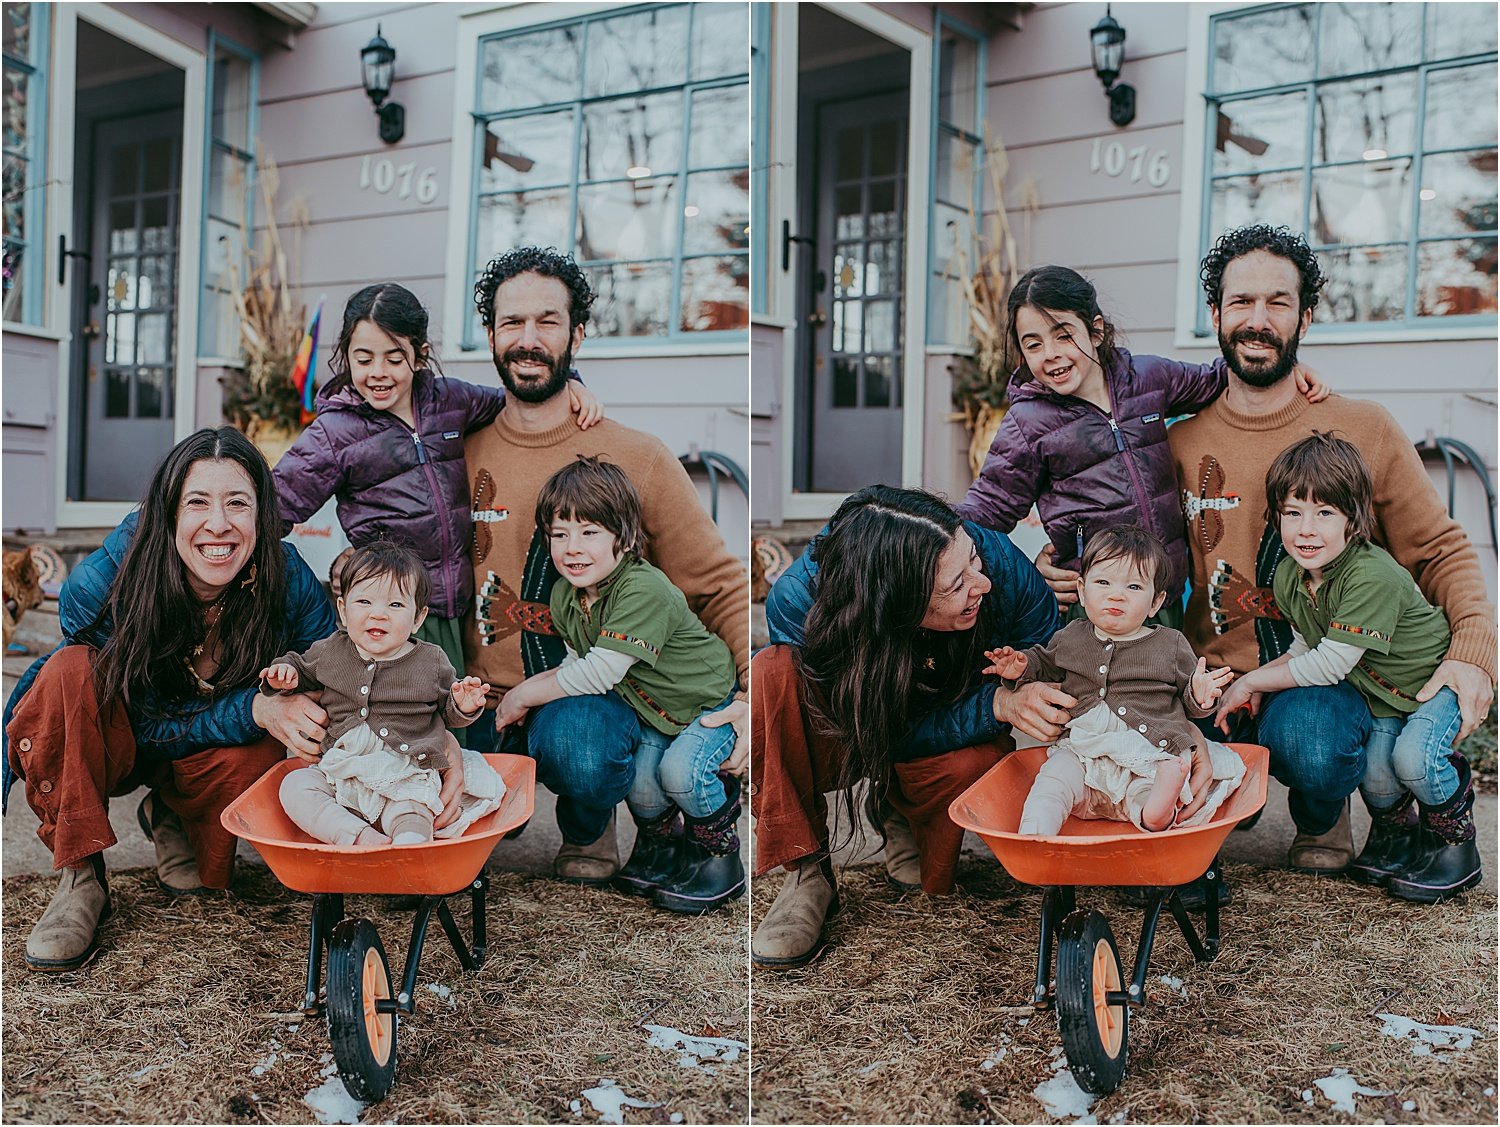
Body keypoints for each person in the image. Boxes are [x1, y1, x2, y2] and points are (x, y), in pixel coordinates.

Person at [1128, 223, 1494, 879]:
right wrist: (1067, 566)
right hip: (1211, 679)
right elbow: (1137, 551)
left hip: (1321, 677)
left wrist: (1474, 653)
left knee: (1316, 743)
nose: (1258, 320)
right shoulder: (1177, 442)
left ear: (1306, 315)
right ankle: (1230, 790)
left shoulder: (1363, 428)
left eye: (1278, 302)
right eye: (1241, 302)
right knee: (1185, 781)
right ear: (1215, 314)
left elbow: (1440, 549)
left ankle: (1323, 811)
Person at [749, 487, 1219, 969]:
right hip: (855, 725)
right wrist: (995, 703)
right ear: (897, 603)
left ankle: (905, 808)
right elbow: (874, 731)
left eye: (972, 560)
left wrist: (1174, 726)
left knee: (976, 760)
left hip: (946, 718)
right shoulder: (801, 601)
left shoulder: (1002, 568)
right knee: (774, 671)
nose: (982, 584)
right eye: (956, 585)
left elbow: (1074, 675)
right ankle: (807, 870)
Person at [463, 247, 750, 886]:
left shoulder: (635, 456)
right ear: (490, 335)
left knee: (586, 751)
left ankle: (590, 828)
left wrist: (752, 696)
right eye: (511, 323)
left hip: (588, 692)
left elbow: (718, 582)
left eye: (548, 321)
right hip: (476, 692)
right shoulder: (458, 448)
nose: (528, 340)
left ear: (578, 334)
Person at [2, 428, 337, 971]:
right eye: (197, 503)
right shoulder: (121, 574)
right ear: (167, 514)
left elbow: (335, 673)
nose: (219, 524)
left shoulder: (287, 578)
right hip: (119, 740)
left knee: (280, 727)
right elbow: (136, 715)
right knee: (69, 671)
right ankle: (80, 876)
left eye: (238, 503)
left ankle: (175, 814)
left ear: (262, 515)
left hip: (200, 755)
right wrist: (251, 708)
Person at [272, 282, 601, 687]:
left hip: (452, 609)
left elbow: (513, 399)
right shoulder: (334, 434)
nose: (378, 372)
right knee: (401, 724)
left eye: (394, 359)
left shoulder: (448, 400)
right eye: (364, 359)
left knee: (451, 721)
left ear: (421, 354)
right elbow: (272, 511)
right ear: (346, 356)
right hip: (391, 608)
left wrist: (569, 379)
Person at [959, 264, 1327, 624]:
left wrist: (1287, 367)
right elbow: (986, 514)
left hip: (1161, 599)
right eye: (1033, 344)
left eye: (1063, 335)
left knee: (1166, 683)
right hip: (1096, 607)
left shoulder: (1148, 378)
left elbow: (1216, 378)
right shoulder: (1029, 423)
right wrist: (1030, 575)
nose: (1050, 353)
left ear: (1096, 331)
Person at [1214, 434, 1480, 901]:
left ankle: (1455, 845)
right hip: (1383, 697)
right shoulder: (1291, 575)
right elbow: (1303, 646)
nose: (1305, 530)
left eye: (1324, 513)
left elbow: (1331, 663)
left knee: (1413, 761)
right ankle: (1399, 841)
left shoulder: (1369, 575)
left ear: (1353, 519)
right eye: (1293, 513)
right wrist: (1247, 685)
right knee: (1376, 773)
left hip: (1431, 686)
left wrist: (1254, 679)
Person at [496, 457, 741, 912]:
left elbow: (600, 673)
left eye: (590, 532)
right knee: (643, 784)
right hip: (655, 711)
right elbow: (577, 663)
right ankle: (662, 849)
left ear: (623, 538)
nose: (573, 548)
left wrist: (522, 694)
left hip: (708, 702)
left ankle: (717, 857)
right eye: (560, 534)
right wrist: (527, 695)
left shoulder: (641, 589)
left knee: (680, 773)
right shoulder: (567, 596)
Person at [984, 526, 1244, 836]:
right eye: (1103, 582)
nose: (1116, 594)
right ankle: (1036, 835)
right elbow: (1044, 663)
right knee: (1053, 779)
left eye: (1134, 587)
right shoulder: (1071, 637)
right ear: (1082, 590)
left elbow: (1189, 704)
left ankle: (1156, 812)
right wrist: (1020, 666)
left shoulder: (1170, 644)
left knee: (1147, 786)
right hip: (1084, 751)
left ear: (1155, 602)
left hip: (1147, 751)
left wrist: (1200, 696)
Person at [266, 541, 503, 847]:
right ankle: (359, 837)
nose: (378, 615)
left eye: (395, 605)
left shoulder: (431, 661)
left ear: (417, 618)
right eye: (364, 602)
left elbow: (447, 714)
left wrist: (463, 705)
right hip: (342, 770)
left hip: (403, 770)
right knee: (295, 786)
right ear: (343, 609)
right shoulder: (330, 651)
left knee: (412, 810)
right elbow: (302, 668)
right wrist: (285, 674)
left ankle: (408, 847)